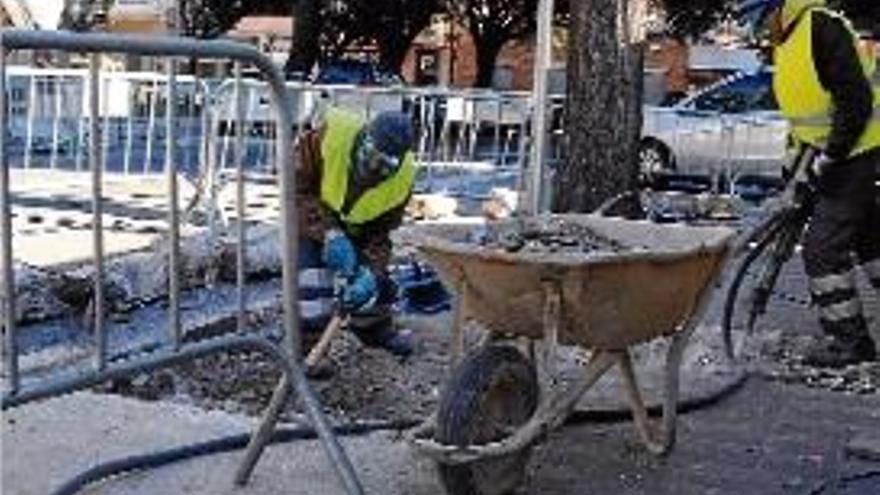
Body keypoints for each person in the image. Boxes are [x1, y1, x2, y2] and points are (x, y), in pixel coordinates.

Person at [742, 0, 880, 367]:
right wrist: (794, 173)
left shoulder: (822, 27)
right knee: (869, 240)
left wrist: (830, 159)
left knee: (822, 249)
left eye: (758, 19)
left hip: (858, 150)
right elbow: (804, 119)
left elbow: (856, 102)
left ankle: (850, 344)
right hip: (842, 151)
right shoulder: (787, 42)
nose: (757, 30)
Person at [294, 106, 417, 357]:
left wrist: (371, 273)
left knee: (370, 281)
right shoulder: (329, 137)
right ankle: (309, 348)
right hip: (313, 215)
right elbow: (296, 188)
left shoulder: (402, 180)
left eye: (384, 165)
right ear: (364, 138)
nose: (374, 169)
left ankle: (374, 328)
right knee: (311, 279)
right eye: (370, 156)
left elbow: (381, 234)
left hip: (359, 227)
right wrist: (328, 233)